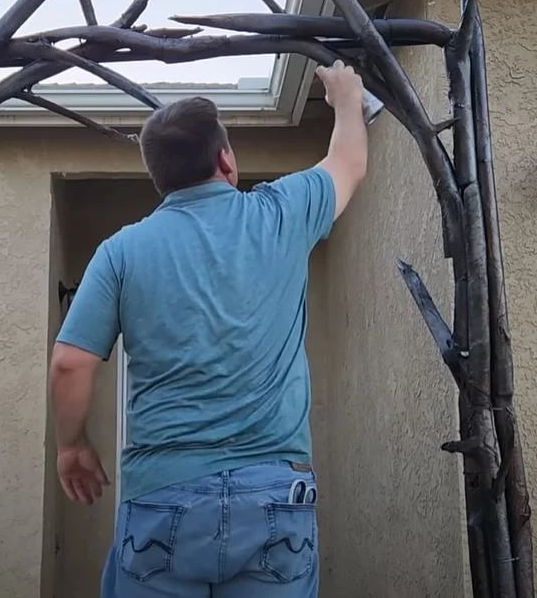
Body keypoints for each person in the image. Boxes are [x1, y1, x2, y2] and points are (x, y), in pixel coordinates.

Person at [49, 60, 368, 597]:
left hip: (162, 497)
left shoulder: (120, 251)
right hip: (272, 493)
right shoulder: (280, 214)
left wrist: (71, 445)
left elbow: (70, 363)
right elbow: (349, 161)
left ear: (159, 176)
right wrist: (346, 99)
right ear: (225, 159)